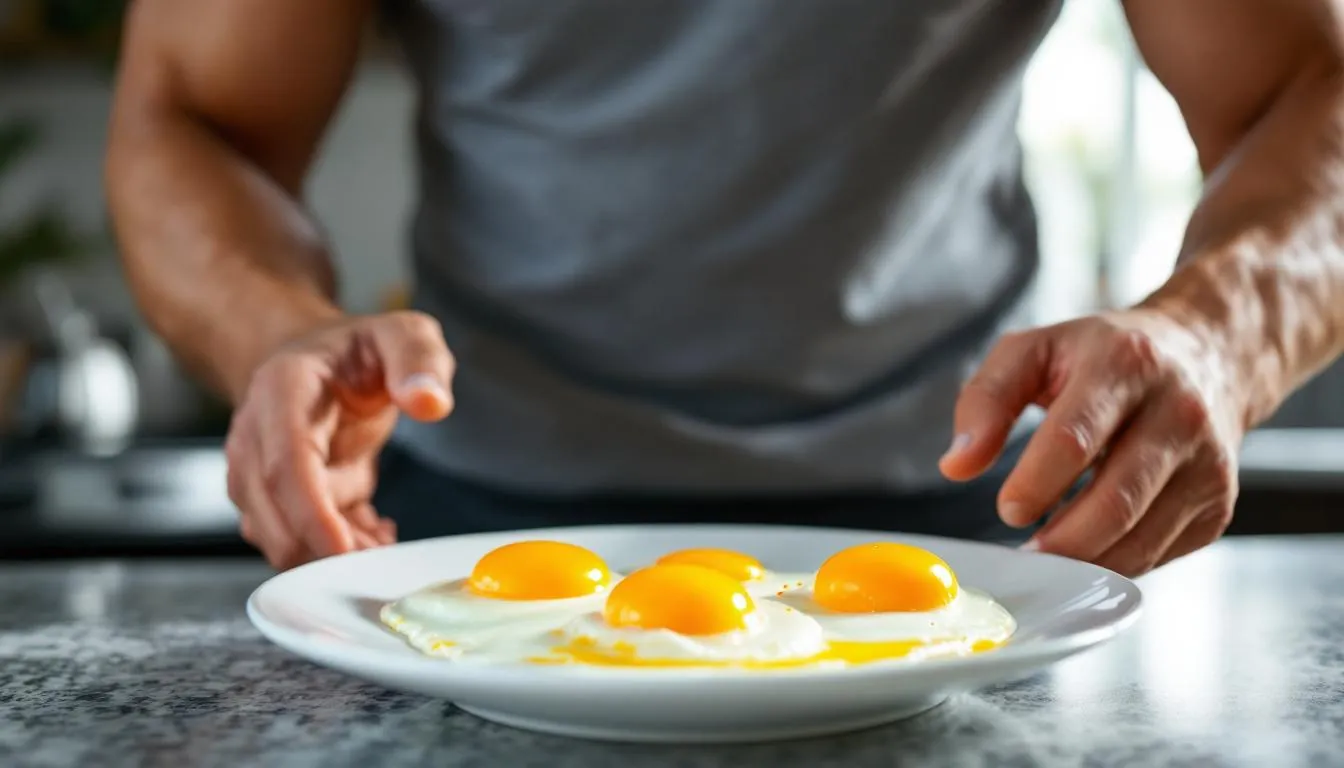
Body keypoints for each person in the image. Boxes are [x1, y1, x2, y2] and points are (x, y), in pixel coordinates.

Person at [106, 0, 1344, 578]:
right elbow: (194, 118)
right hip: (471, 539)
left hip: (966, 529)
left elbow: (1309, 90)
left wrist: (1216, 333)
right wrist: (280, 331)